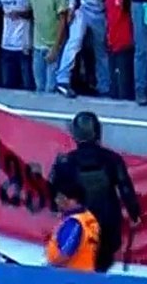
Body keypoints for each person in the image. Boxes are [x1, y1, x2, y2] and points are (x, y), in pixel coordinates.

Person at [49, 111, 142, 272]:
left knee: (74, 269)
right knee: (100, 269)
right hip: (108, 226)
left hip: (77, 226)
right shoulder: (113, 159)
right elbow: (126, 189)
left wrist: (57, 210)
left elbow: (53, 193)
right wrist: (135, 215)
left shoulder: (64, 162)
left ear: (75, 135)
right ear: (98, 133)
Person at [45, 177, 101, 271]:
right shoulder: (88, 218)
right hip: (86, 273)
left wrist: (48, 269)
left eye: (60, 197)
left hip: (68, 275)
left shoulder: (74, 223)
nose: (57, 201)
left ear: (72, 200)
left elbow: (66, 254)